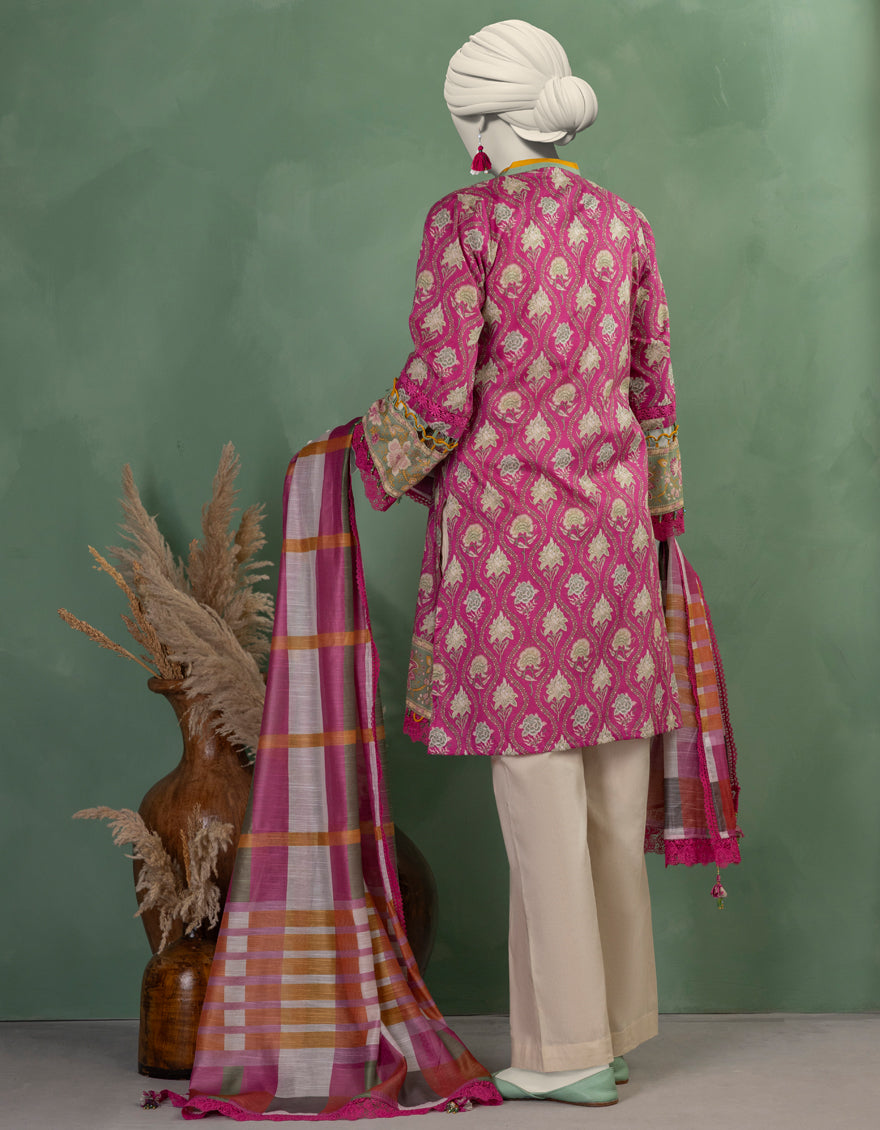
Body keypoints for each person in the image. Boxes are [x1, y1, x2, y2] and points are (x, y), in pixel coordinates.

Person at [352, 18, 684, 1108]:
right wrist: (661, 521)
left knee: (539, 795)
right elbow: (654, 389)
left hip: (511, 541)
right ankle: (613, 1028)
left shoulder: (467, 221)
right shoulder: (625, 222)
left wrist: (363, 454)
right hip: (617, 539)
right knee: (610, 788)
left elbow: (441, 387)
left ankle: (566, 1051)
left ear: (479, 120)